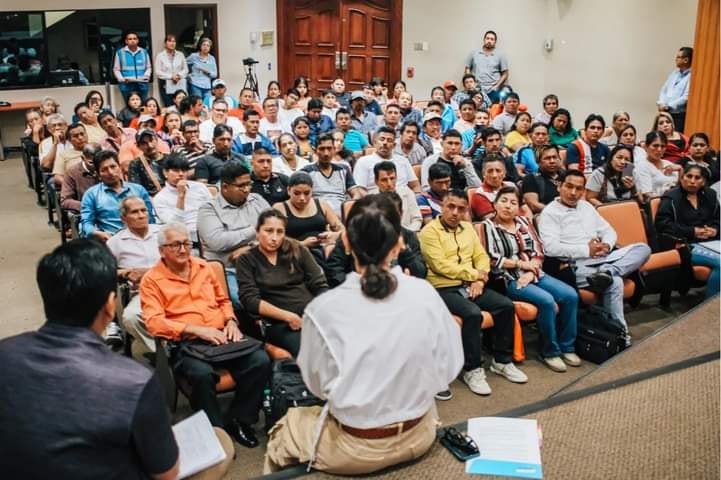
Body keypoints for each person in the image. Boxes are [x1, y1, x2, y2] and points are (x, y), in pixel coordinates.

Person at [264, 195, 463, 475]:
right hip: (420, 433)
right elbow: (449, 367)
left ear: (345, 241)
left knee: (283, 431)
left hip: (357, 447)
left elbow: (318, 387)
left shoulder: (322, 310)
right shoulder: (425, 293)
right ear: (399, 244)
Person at [0, 239, 182, 479]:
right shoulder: (134, 381)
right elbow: (166, 473)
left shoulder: (5, 353)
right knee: (219, 442)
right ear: (110, 306)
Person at [141, 223, 272, 448]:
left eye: (186, 243)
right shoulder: (151, 280)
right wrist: (195, 329)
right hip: (188, 343)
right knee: (201, 375)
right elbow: (154, 322)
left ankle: (240, 419)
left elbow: (223, 301)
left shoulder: (203, 267)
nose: (183, 249)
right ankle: (215, 430)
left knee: (260, 360)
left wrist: (231, 321)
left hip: (222, 336)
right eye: (175, 245)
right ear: (162, 250)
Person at [419, 190, 525, 397]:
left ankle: (502, 361)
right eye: (451, 207)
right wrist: (475, 274)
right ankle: (472, 369)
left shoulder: (468, 228)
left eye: (461, 209)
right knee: (472, 314)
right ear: (442, 206)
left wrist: (479, 279)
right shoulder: (429, 232)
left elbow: (481, 256)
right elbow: (440, 265)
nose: (455, 213)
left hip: (472, 283)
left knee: (505, 306)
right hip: (443, 287)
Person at [537, 170, 651, 345]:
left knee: (643, 249)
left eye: (579, 189)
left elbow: (609, 231)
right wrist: (587, 250)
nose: (573, 192)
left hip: (602, 259)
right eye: (569, 186)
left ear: (584, 191)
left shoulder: (587, 207)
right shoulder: (550, 213)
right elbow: (550, 248)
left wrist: (607, 245)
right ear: (559, 186)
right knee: (616, 282)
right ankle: (620, 333)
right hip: (575, 265)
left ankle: (608, 272)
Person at [481, 186, 580, 372]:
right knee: (547, 301)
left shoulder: (523, 221)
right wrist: (521, 265)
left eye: (513, 203)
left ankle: (567, 347)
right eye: (503, 201)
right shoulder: (488, 226)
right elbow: (492, 259)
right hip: (509, 279)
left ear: (519, 207)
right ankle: (550, 351)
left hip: (533, 273)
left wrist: (531, 271)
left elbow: (538, 250)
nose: (508, 206)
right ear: (495, 204)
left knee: (570, 295)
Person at [236, 210, 329, 357]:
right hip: (279, 323)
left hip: (311, 316)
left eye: (280, 232)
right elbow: (250, 300)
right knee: (310, 351)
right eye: (269, 231)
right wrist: (288, 317)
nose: (274, 238)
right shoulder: (246, 259)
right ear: (257, 232)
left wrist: (319, 312)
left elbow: (319, 284)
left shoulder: (297, 249)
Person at [197, 162, 270, 307]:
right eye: (241, 186)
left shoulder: (257, 200)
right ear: (225, 187)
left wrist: (252, 247)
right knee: (244, 299)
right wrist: (257, 229)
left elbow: (276, 229)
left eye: (248, 184)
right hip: (229, 269)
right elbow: (217, 241)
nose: (247, 190)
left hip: (263, 262)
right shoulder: (209, 209)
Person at [106, 196, 161, 351]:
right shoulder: (116, 242)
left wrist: (148, 272)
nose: (141, 215)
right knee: (131, 317)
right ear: (124, 218)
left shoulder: (162, 233)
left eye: (144, 210)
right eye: (135, 212)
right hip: (142, 292)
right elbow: (104, 271)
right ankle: (162, 351)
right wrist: (124, 272)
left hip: (172, 285)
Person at [655, 163, 719, 298]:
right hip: (685, 244)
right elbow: (663, 225)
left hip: (712, 242)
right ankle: (711, 307)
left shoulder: (710, 195)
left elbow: (718, 219)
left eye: (697, 178)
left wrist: (715, 229)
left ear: (703, 181)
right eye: (689, 176)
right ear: (682, 178)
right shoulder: (671, 197)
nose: (692, 181)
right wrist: (693, 231)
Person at [80, 150, 155, 241]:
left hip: (142, 238)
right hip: (111, 241)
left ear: (119, 167)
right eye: (104, 170)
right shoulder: (92, 194)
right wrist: (96, 233)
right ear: (98, 174)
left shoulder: (138, 190)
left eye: (113, 167)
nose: (110, 172)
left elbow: (150, 219)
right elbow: (86, 223)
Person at [272, 171, 343, 262]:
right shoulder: (280, 208)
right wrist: (302, 244)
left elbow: (342, 229)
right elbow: (275, 237)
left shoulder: (321, 204)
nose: (302, 198)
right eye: (297, 193)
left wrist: (334, 235)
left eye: (306, 193)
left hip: (325, 251)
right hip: (295, 254)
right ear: (289, 190)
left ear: (312, 191)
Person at [154, 153, 212, 247]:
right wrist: (181, 196)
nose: (181, 174)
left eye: (184, 170)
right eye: (176, 170)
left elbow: (213, 210)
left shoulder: (200, 187)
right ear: (165, 173)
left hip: (209, 233)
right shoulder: (160, 198)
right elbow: (175, 226)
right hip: (186, 241)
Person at [301, 133, 364, 215]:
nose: (326, 153)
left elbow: (356, 193)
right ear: (315, 151)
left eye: (329, 148)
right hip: (318, 213)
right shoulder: (307, 171)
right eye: (322, 149)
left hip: (342, 212)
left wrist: (350, 206)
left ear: (334, 149)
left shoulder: (343, 169)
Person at [353, 126, 420, 192]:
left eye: (389, 140)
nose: (385, 143)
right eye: (382, 139)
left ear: (394, 145)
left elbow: (415, 185)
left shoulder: (403, 160)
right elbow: (359, 189)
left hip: (403, 196)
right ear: (375, 142)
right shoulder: (363, 162)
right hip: (376, 197)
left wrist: (415, 196)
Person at [374, 161, 422, 231]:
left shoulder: (407, 193)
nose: (389, 184)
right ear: (376, 181)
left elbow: (417, 219)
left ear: (396, 178)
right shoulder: (371, 199)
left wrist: (407, 233)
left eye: (392, 178)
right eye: (384, 180)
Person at [465, 30, 509, 104]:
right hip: (477, 89)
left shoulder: (500, 55)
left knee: (493, 110)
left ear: (495, 42)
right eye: (487, 38)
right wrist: (471, 84)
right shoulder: (474, 53)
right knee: (476, 108)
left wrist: (497, 86)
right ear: (484, 39)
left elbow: (505, 73)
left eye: (492, 39)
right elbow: (467, 68)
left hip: (493, 90)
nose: (489, 41)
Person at [657, 47, 692, 132]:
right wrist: (661, 103)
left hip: (678, 116)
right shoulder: (674, 73)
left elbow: (686, 97)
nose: (675, 59)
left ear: (686, 60)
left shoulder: (691, 75)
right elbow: (664, 90)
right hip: (665, 113)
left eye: (678, 57)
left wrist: (669, 106)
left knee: (675, 136)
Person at [522, 144, 564, 213]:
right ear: (538, 161)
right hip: (545, 215)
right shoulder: (531, 179)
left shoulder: (568, 176)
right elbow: (533, 205)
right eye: (547, 158)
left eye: (554, 157)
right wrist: (558, 212)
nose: (552, 161)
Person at [471, 155, 514, 221]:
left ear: (505, 173)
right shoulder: (479, 194)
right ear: (483, 174)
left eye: (498, 171)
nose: (494, 175)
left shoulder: (512, 186)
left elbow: (525, 210)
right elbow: (493, 220)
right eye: (490, 171)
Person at [637, 131, 681, 196]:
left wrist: (680, 169)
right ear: (646, 146)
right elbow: (647, 194)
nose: (659, 149)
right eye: (655, 146)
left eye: (662, 146)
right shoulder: (642, 166)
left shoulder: (669, 164)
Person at [127, 129, 168, 196]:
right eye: (144, 143)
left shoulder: (170, 158)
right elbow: (136, 191)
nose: (150, 145)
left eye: (151, 140)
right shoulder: (136, 164)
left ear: (156, 140)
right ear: (138, 147)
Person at [113, 30, 151, 103]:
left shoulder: (144, 52)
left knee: (143, 105)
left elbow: (148, 67)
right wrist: (122, 79)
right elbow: (116, 69)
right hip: (127, 84)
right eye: (130, 39)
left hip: (142, 84)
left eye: (134, 39)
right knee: (130, 105)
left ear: (137, 40)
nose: (132, 41)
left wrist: (146, 76)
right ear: (126, 41)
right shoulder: (120, 52)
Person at [60, 143, 99, 212]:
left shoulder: (106, 169)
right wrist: (86, 206)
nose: (96, 166)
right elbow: (65, 201)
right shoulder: (72, 172)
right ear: (83, 158)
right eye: (91, 163)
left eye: (98, 162)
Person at [154, 34, 188, 107]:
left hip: (179, 82)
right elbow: (158, 72)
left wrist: (179, 75)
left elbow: (186, 69)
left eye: (174, 41)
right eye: (169, 41)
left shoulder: (180, 54)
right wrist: (171, 76)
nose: (172, 43)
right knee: (169, 105)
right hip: (166, 84)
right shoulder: (160, 56)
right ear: (165, 43)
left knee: (181, 105)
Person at [52, 123, 87, 188]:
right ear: (70, 140)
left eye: (82, 134)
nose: (80, 138)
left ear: (87, 135)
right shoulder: (63, 155)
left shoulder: (97, 148)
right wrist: (71, 185)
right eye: (76, 136)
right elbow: (57, 177)